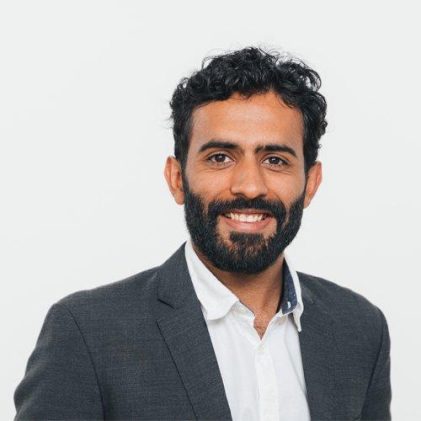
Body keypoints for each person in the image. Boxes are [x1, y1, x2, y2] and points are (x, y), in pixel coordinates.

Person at [14, 47, 391, 420]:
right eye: (220, 158)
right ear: (177, 178)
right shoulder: (87, 332)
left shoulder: (360, 328)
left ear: (311, 183)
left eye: (275, 160)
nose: (249, 186)